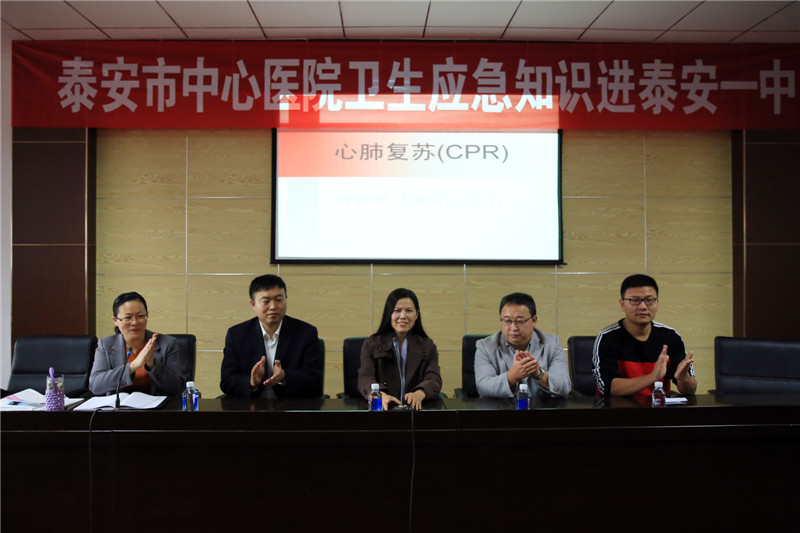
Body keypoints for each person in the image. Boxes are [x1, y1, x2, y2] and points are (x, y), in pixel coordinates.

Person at [593, 274, 696, 398]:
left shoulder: (671, 337)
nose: (642, 307)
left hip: (657, 408)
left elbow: (690, 391)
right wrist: (653, 376)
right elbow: (609, 387)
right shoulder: (607, 338)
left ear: (657, 303)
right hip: (616, 408)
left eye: (649, 300)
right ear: (622, 304)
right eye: (634, 300)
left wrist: (683, 378)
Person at [220, 274, 322, 399]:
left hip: (292, 406)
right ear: (253, 304)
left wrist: (284, 376)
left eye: (279, 300)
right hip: (250, 407)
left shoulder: (306, 333)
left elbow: (314, 380)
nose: (273, 306)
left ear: (286, 299)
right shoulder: (237, 335)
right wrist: (251, 382)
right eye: (266, 301)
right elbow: (227, 381)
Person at [358, 288, 442, 410]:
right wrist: (380, 395)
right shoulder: (372, 344)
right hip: (384, 409)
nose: (403, 316)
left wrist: (420, 393)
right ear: (389, 314)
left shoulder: (428, 346)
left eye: (409, 311)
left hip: (415, 410)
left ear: (416, 314)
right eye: (397, 310)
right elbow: (365, 378)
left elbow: (434, 379)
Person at [474, 292, 571, 398]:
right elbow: (483, 388)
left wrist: (539, 374)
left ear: (534, 320)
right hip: (501, 407)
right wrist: (512, 376)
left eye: (520, 321)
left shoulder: (552, 343)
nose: (513, 328)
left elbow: (565, 387)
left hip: (541, 407)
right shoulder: (485, 346)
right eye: (507, 321)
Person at [89, 292, 186, 397]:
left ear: (147, 315)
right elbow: (95, 386)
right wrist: (133, 366)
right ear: (115, 320)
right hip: (119, 406)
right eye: (128, 317)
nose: (135, 322)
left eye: (140, 316)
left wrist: (153, 364)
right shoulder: (106, 345)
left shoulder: (167, 343)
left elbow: (178, 388)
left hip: (157, 406)